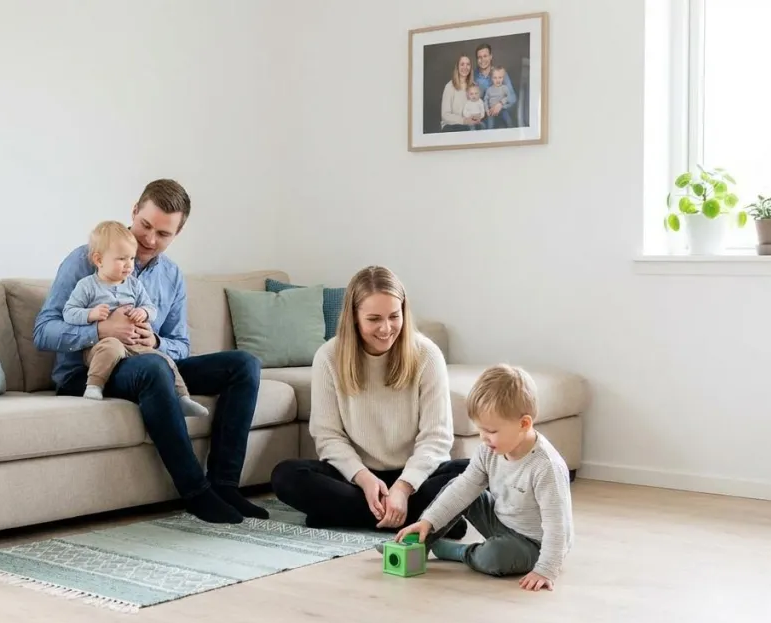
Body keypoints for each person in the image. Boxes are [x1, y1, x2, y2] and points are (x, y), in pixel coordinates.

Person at [34, 179, 267, 525]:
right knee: (154, 370)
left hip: (149, 362)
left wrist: (154, 342)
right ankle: (196, 491)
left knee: (243, 365)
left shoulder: (171, 276)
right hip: (88, 373)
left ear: (177, 234)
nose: (150, 240)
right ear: (134, 211)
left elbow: (181, 345)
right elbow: (43, 331)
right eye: (145, 225)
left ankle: (225, 485)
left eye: (163, 234)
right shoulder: (85, 260)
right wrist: (100, 329)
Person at [270, 266, 470, 534]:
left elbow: (436, 438)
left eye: (394, 316)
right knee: (286, 476)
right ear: (354, 317)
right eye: (374, 319)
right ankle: (427, 520)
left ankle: (345, 516)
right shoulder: (329, 357)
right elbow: (328, 436)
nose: (386, 329)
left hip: (416, 479)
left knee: (479, 471)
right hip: (356, 479)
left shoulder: (427, 354)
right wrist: (364, 479)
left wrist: (403, 487)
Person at [394, 364, 574, 592]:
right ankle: (418, 545)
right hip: (501, 522)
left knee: (494, 557)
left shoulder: (545, 467)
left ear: (524, 424)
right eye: (480, 429)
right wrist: (428, 521)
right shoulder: (488, 450)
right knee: (457, 486)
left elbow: (557, 525)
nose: (484, 438)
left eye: (491, 431)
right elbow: (464, 489)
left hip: (534, 544)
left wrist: (546, 568)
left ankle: (458, 552)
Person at [62, 220, 208, 418]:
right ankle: (94, 386)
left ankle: (183, 398)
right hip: (100, 345)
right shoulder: (87, 286)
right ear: (99, 260)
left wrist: (144, 313)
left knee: (162, 360)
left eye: (131, 258)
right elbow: (69, 312)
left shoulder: (134, 285)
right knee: (111, 347)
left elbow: (151, 308)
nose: (129, 265)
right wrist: (91, 315)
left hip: (134, 345)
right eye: (122, 259)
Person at [473, 43, 518, 126]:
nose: (482, 60)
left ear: (491, 57)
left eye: (485, 56)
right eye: (479, 57)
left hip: (500, 117)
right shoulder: (473, 76)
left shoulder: (500, 73)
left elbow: (513, 97)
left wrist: (500, 104)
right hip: (480, 118)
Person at [440, 54, 481, 132]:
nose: (465, 67)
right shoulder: (449, 87)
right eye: (462, 64)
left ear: (470, 67)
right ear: (457, 67)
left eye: (468, 64)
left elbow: (478, 105)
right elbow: (445, 115)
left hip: (469, 125)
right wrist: (464, 121)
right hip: (452, 126)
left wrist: (477, 116)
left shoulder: (474, 86)